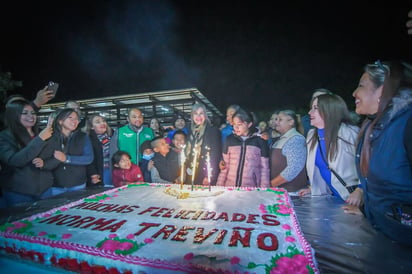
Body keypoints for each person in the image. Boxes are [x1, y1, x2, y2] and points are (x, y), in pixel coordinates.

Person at [343, 60, 412, 245]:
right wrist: (370, 211)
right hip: (384, 235)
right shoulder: (371, 128)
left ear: (382, 90)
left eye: (361, 86)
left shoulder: (407, 123)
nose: (354, 93)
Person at [298, 93, 361, 205]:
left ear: (330, 110)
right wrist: (314, 189)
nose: (309, 112)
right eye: (311, 108)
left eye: (315, 108)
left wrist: (361, 190)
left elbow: (368, 166)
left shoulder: (349, 132)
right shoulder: (312, 135)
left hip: (353, 200)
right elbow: (321, 170)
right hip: (332, 200)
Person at [0, 100, 54, 207]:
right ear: (13, 115)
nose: (31, 116)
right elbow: (15, 161)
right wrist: (40, 139)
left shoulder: (42, 132)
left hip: (45, 190)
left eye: (33, 112)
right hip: (19, 192)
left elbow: (55, 156)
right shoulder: (4, 137)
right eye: (25, 113)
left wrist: (45, 163)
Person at [216, 108, 270, 187]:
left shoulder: (260, 141)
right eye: (234, 124)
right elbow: (224, 168)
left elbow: (264, 169)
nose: (236, 127)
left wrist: (264, 190)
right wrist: (219, 187)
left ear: (249, 124)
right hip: (230, 188)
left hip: (251, 190)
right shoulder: (229, 140)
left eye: (239, 124)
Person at [48, 108, 94, 195]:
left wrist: (67, 158)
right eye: (70, 118)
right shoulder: (50, 137)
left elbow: (89, 158)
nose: (75, 121)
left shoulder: (83, 136)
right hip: (55, 185)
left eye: (77, 119)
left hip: (78, 183)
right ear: (60, 121)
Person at [270, 109, 307, 192]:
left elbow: (293, 169)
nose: (276, 122)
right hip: (280, 191)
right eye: (276, 119)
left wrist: (270, 184)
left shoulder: (296, 139)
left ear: (291, 122)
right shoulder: (280, 140)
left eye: (280, 120)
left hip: (292, 193)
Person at [185, 103, 221, 186]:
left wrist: (209, 175)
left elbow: (215, 155)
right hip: (191, 173)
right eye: (195, 113)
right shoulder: (191, 132)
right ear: (192, 116)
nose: (198, 116)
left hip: (205, 174)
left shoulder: (212, 131)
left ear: (205, 115)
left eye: (201, 113)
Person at [84, 114, 114, 188]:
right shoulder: (88, 139)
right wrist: (92, 173)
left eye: (103, 121)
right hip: (99, 172)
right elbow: (87, 158)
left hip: (113, 170)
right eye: (98, 122)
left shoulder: (113, 135)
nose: (102, 123)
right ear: (91, 127)